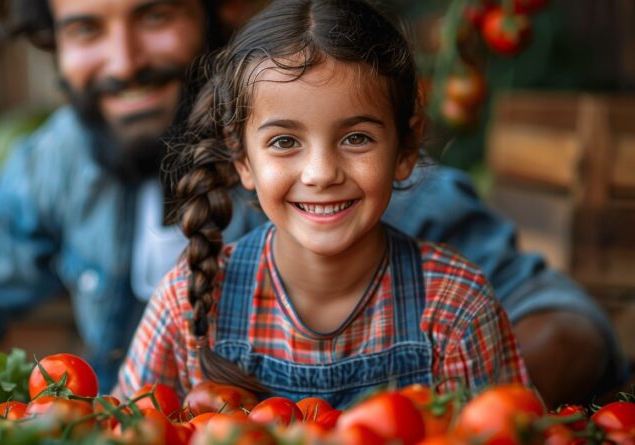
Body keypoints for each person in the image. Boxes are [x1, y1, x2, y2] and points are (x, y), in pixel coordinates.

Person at [0, 0, 625, 406]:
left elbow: (567, 325)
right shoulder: (59, 164)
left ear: (213, 18)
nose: (123, 60)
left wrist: (454, 415)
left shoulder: (371, 197)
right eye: (85, 30)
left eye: (155, 15)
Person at [116, 0, 531, 406]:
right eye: (284, 142)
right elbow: (129, 432)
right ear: (242, 158)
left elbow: (498, 431)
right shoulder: (186, 307)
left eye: (356, 138)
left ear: (406, 148)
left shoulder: (454, 307)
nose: (320, 173)